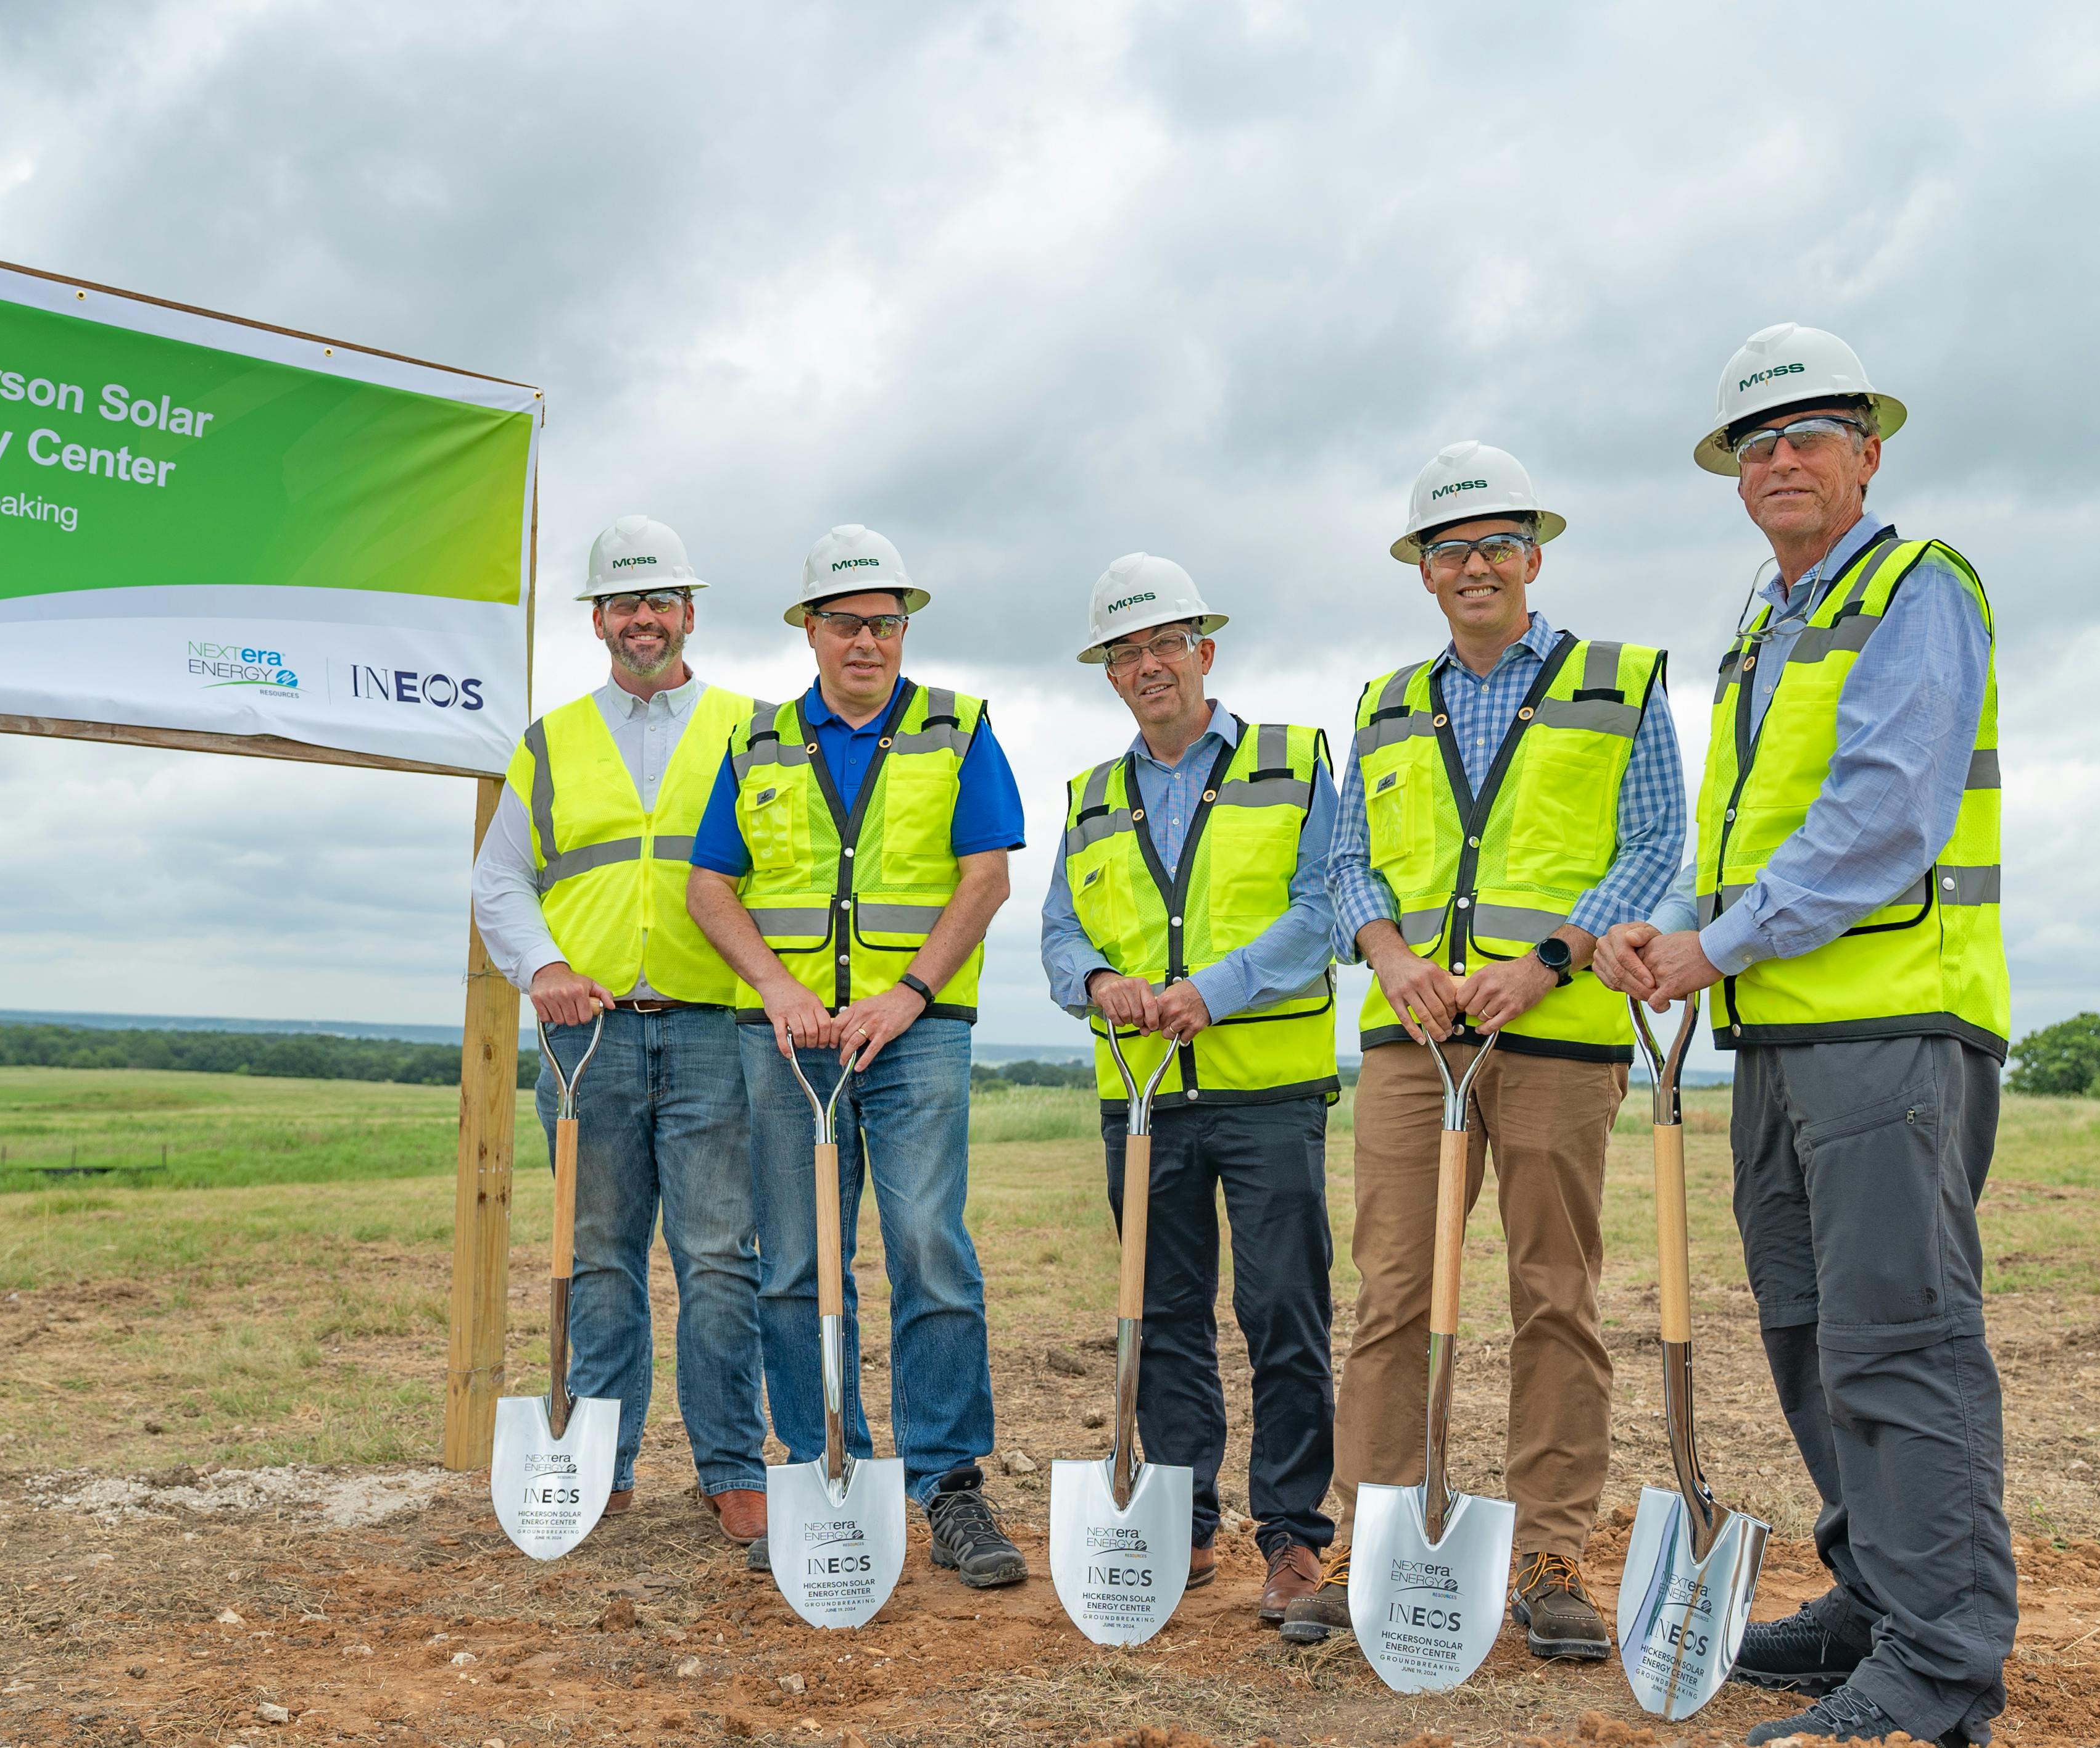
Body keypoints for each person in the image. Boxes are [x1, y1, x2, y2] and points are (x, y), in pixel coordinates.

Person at [1594, 324, 2012, 1747]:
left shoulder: (1914, 586)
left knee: (1898, 1343)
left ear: (1866, 455)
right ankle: (1874, 1596)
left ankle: (1937, 1672)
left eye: (1810, 434)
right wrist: (1667, 930)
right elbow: (1749, 834)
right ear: (1732, 476)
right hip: (1778, 1038)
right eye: (1755, 444)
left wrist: (1713, 944)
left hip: (1889, 1025)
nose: (1781, 459)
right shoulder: (1761, 623)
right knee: (1810, 1335)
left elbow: (1885, 813)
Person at [1287, 443, 1685, 1661]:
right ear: (1420, 571)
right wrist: (1391, 960)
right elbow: (1345, 858)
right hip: (1412, 1045)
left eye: (1494, 544)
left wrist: (1546, 963)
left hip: (1553, 1039)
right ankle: (1370, 1531)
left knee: (1551, 1293)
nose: (1472, 566)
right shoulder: (1383, 702)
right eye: (1446, 549)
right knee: (1393, 1293)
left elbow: (1654, 837)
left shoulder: (1618, 683)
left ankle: (1552, 1553)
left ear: (1534, 556)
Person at [686, 523, 1031, 1587]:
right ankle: (827, 1471)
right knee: (794, 1266)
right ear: (810, 632)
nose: (867, 642)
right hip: (788, 1045)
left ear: (904, 628)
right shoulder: (758, 742)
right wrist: (778, 989)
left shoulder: (959, 728)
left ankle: (950, 1487)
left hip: (916, 1037)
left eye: (886, 622)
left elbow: (986, 878)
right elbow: (711, 887)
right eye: (846, 623)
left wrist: (909, 991)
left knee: (928, 1247)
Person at [1039, 553, 1343, 1623]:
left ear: (1205, 652)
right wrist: (1101, 982)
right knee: (1159, 1314)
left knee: (1282, 1313)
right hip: (1144, 1096)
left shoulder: (1296, 759)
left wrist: (1215, 989)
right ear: (1111, 676)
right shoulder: (1089, 796)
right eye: (1126, 652)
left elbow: (1323, 908)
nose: (1148, 665)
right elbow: (1058, 932)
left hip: (1269, 1090)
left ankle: (1296, 1540)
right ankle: (1182, 1522)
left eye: (1166, 643)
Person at [471, 515, 769, 1547]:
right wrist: (542, 967)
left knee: (722, 1257)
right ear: (598, 619)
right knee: (598, 1257)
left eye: (659, 601)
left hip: (717, 1033)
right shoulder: (550, 741)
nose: (643, 619)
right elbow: (500, 879)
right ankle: (601, 1464)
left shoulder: (757, 727)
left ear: (689, 613)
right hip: (585, 1037)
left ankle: (734, 1469)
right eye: (623, 603)